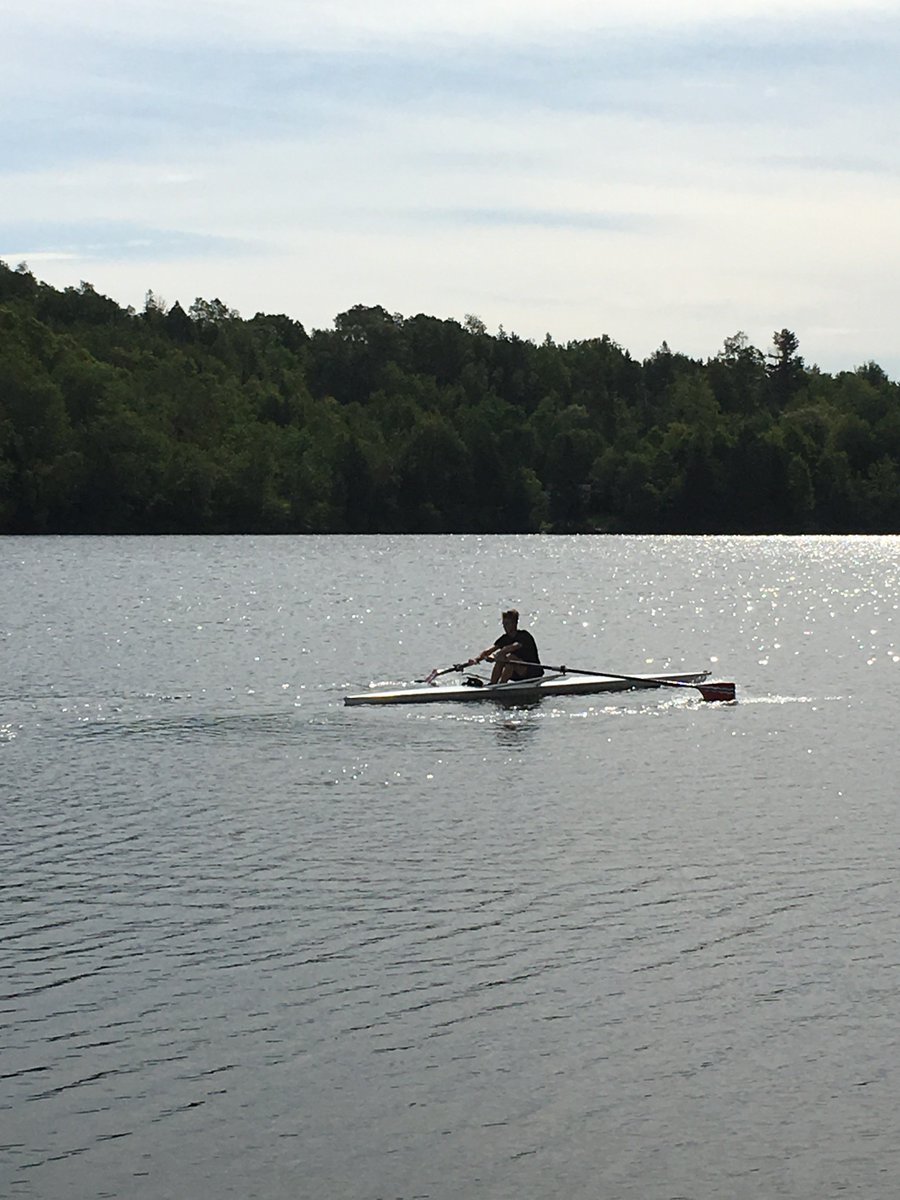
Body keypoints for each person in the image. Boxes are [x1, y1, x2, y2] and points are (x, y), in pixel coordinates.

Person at [469, 609, 543, 683]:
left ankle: (502, 684)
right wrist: (476, 659)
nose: (504, 626)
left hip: (532, 673)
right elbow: (488, 652)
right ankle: (492, 684)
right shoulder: (505, 638)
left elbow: (512, 647)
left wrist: (495, 656)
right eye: (503, 624)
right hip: (517, 674)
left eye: (507, 624)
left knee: (510, 658)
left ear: (514, 623)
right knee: (502, 658)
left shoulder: (524, 636)